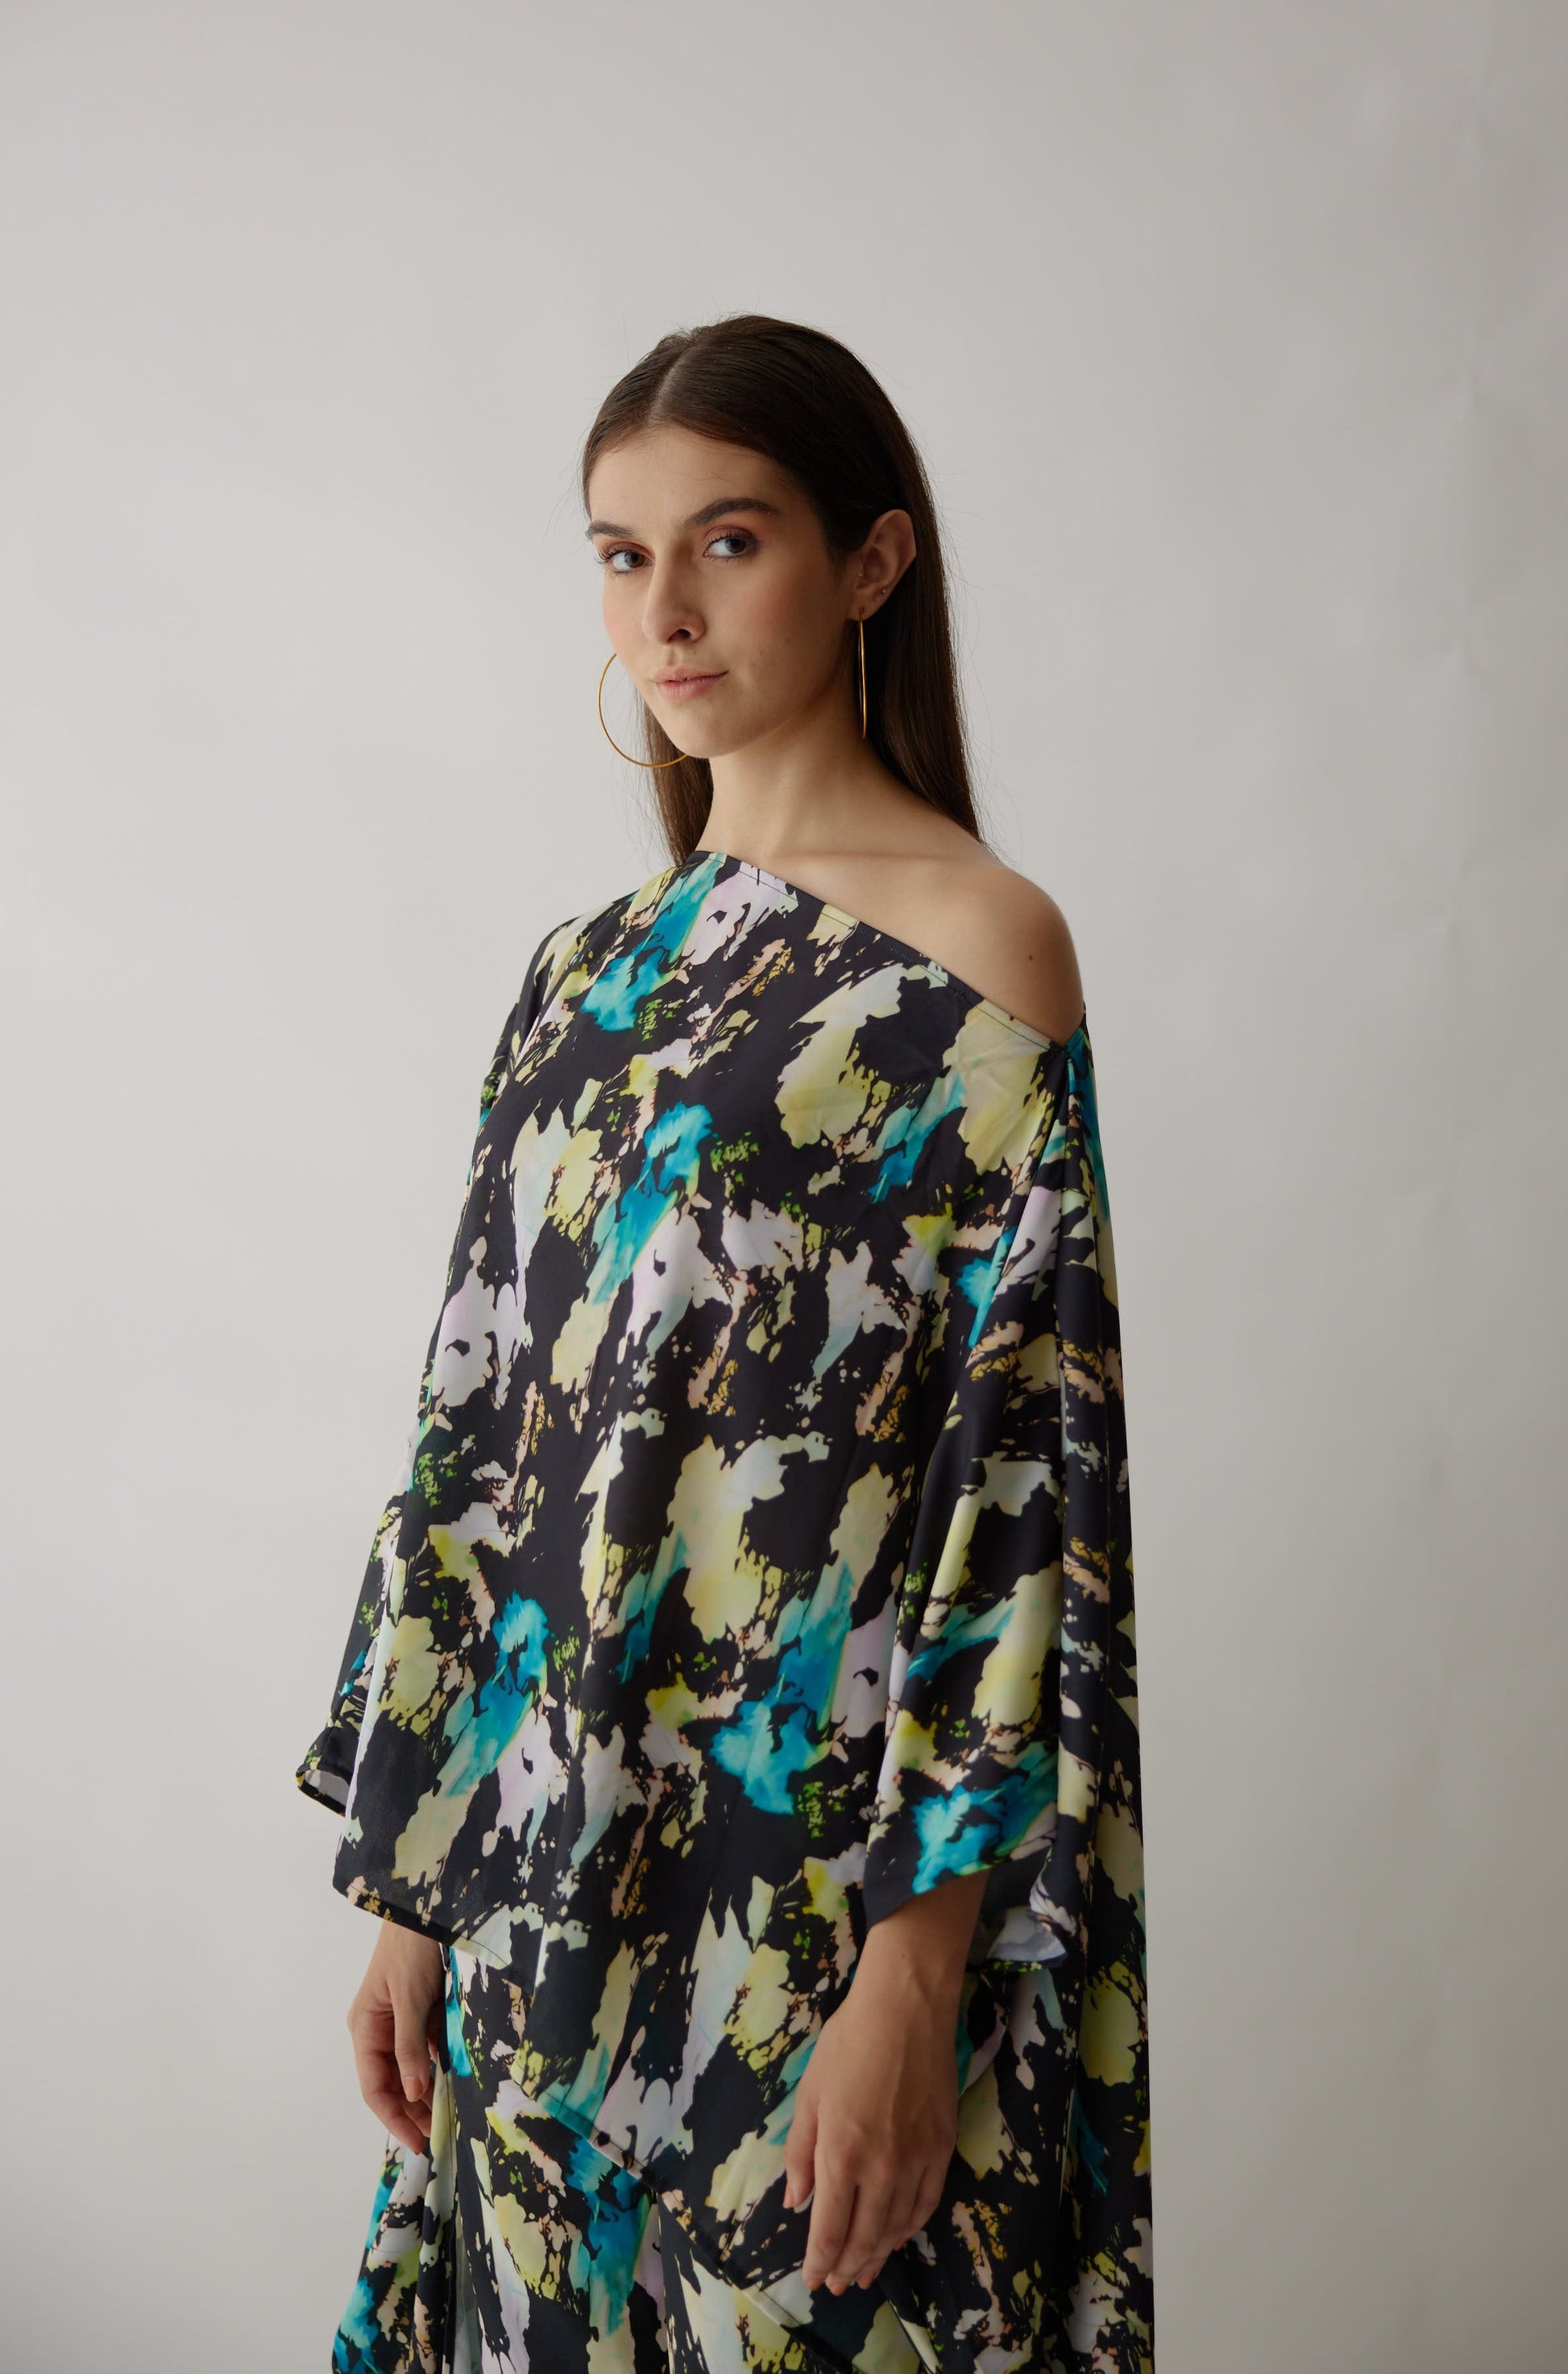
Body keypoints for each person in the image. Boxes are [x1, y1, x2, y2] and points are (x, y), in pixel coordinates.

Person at [296, 313, 1151, 2374]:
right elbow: (479, 1448)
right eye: (620, 554)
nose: (661, 611)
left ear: (871, 562)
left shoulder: (981, 950)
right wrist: (414, 1897)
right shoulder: (580, 977)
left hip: (808, 1897)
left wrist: (912, 1981)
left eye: (728, 541)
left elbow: (1013, 1503)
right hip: (536, 1877)